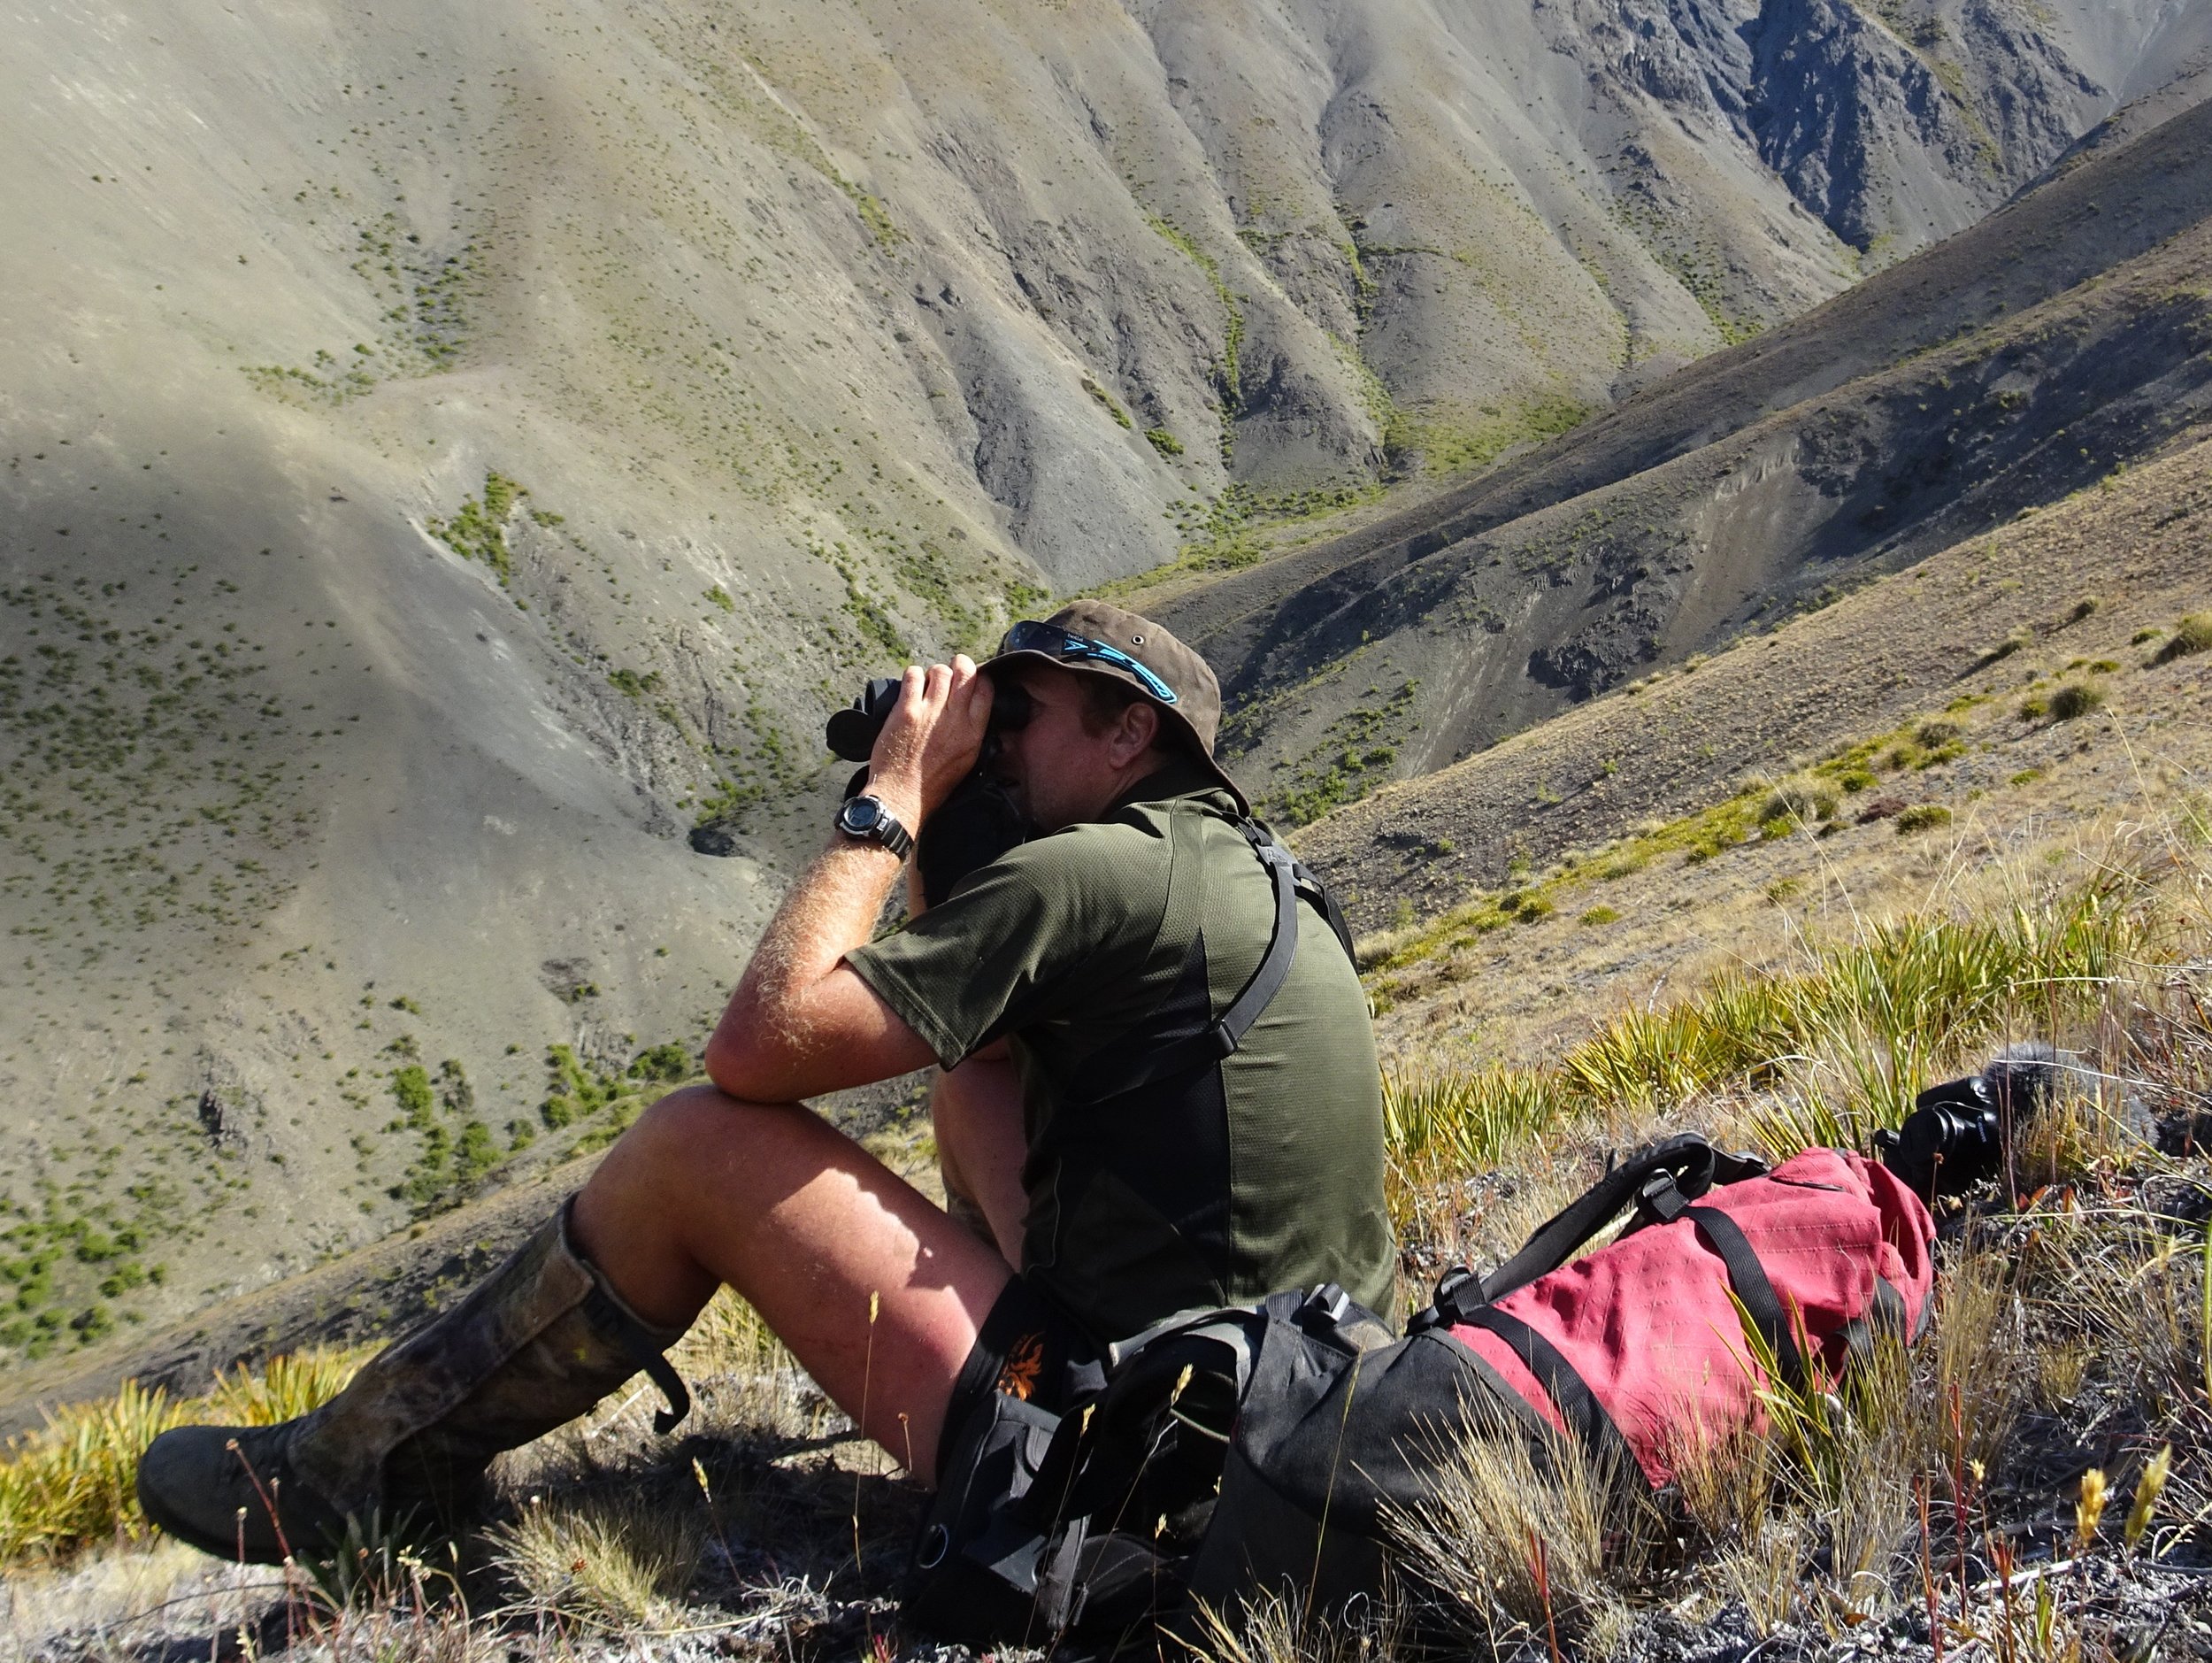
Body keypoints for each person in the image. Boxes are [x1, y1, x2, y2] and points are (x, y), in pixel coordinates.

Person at [135, 602, 1397, 1593]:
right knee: (974, 1077)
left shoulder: (1093, 879)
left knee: (699, 1142)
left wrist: (898, 790)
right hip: (1271, 1421)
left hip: (1124, 1471)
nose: (996, 739)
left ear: (1127, 735)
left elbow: (759, 1048)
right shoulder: (1226, 865)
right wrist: (967, 813)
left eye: (1022, 717)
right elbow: (973, 1030)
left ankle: (358, 1475)